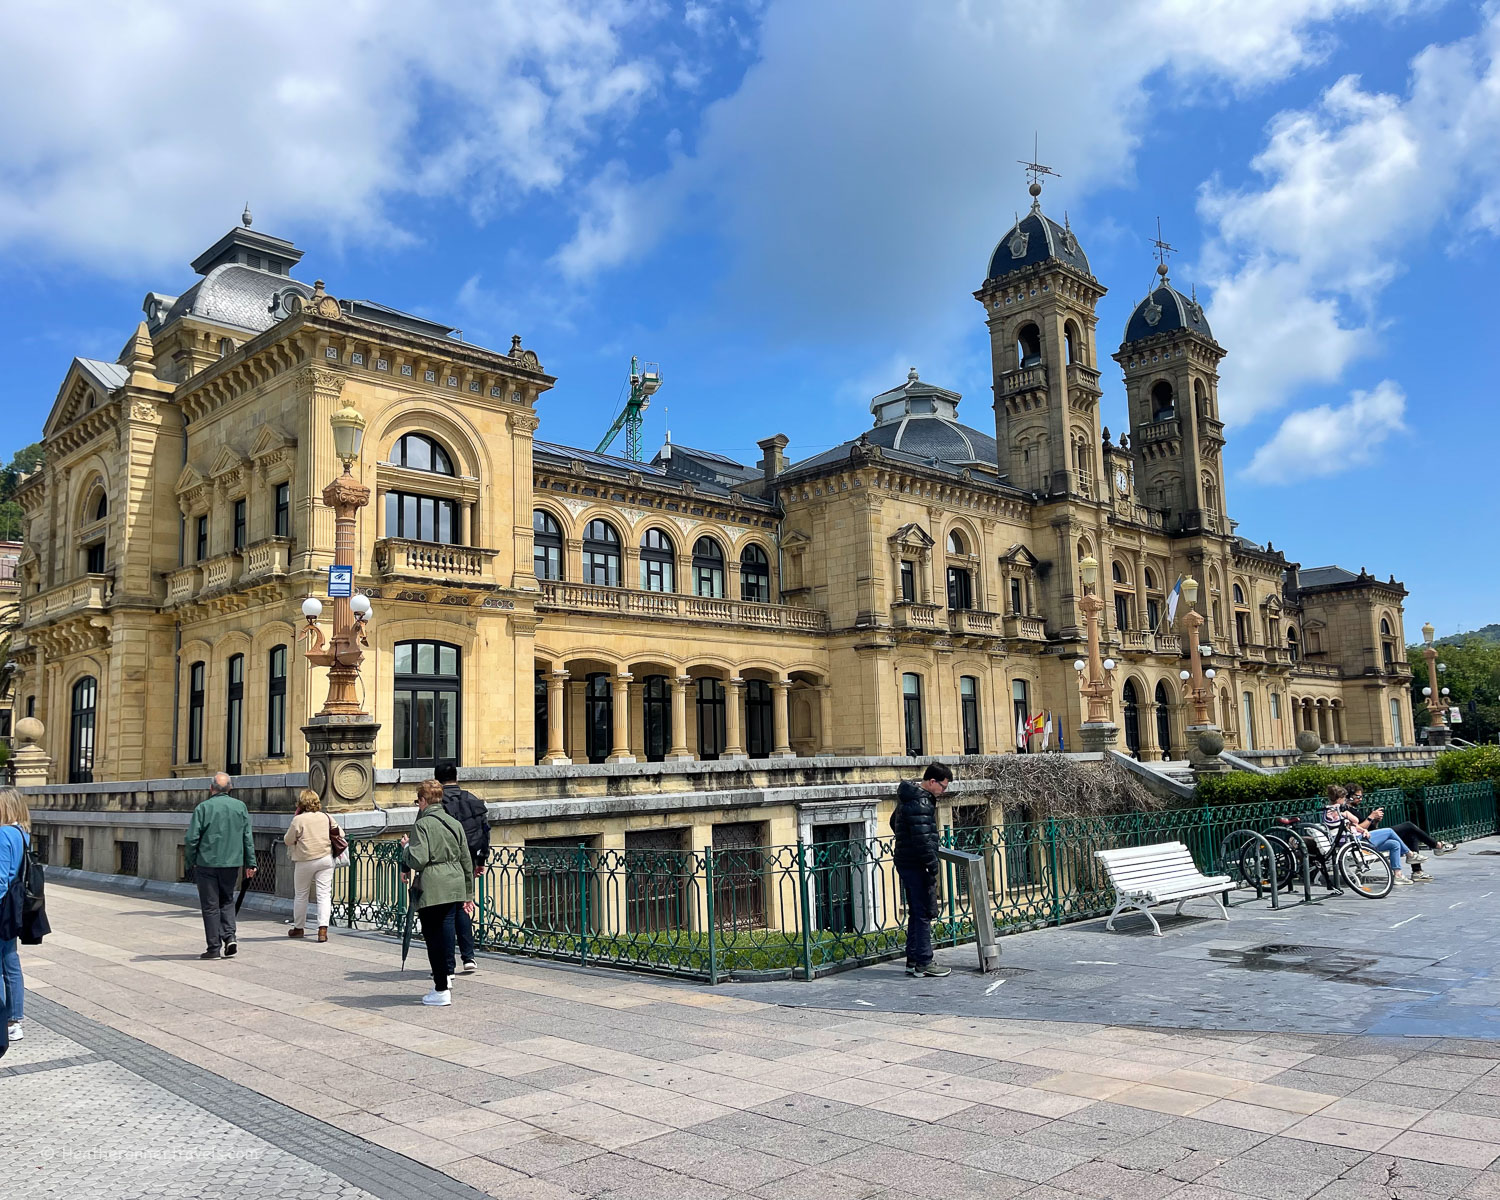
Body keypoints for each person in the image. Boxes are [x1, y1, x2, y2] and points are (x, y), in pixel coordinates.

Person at [401, 779, 471, 1006]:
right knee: (446, 931)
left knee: (433, 937)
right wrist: (468, 893)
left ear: (423, 800)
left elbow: (418, 859)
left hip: (433, 884)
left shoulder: (422, 825)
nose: (417, 805)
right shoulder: (454, 823)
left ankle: (441, 988)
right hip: (455, 882)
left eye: (417, 800)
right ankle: (446, 978)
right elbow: (466, 860)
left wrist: (405, 850)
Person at [184, 772, 257, 959]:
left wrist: (190, 861)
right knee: (227, 900)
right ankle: (230, 936)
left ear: (211, 788)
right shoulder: (240, 807)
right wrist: (251, 862)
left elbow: (192, 838)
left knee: (210, 905)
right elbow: (247, 837)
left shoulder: (203, 808)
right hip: (232, 862)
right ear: (230, 788)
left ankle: (214, 947)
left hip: (206, 863)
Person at [891, 762, 953, 978]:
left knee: (916, 912)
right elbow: (924, 840)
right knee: (924, 912)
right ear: (932, 781)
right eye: (943, 787)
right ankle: (924, 962)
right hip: (917, 864)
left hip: (905, 861)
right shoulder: (921, 802)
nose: (944, 791)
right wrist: (932, 865)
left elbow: (893, 822)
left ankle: (913, 961)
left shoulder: (908, 797)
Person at [436, 763, 489, 975]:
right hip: (469, 860)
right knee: (463, 908)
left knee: (447, 912)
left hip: (446, 862)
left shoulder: (437, 803)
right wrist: (481, 860)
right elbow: (485, 831)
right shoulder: (472, 799)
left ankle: (448, 964)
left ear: (437, 779)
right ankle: (469, 957)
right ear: (456, 777)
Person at [1347, 786, 1454, 879]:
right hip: (1364, 840)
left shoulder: (1354, 810)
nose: (1360, 799)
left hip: (1372, 836)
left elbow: (1369, 828)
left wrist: (1375, 821)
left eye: (1361, 796)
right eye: (1358, 796)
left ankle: (1417, 871)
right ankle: (1437, 846)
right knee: (1408, 826)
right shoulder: (1346, 811)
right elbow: (1357, 828)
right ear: (1350, 796)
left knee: (1410, 835)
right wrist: (1371, 817)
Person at [1322, 784, 1414, 884]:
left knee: (1394, 844)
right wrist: (1351, 816)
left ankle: (1398, 875)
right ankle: (1410, 854)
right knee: (1389, 831)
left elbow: (1350, 826)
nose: (1345, 801)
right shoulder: (1341, 811)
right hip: (1355, 842)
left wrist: (1363, 829)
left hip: (1350, 841)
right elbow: (1355, 821)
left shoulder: (1327, 812)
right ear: (1340, 799)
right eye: (1344, 798)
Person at [283, 789, 342, 941]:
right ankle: (322, 930)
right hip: (325, 859)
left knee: (301, 894)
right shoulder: (326, 817)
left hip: (305, 860)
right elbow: (340, 834)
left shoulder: (299, 820)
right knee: (324, 894)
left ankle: (298, 928)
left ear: (301, 803)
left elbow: (288, 840)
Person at [0, 788, 31, 1044]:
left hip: (1, 904)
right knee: (10, 962)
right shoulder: (23, 833)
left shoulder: (1, 834)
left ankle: (2, 1019)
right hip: (15, 904)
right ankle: (15, 1020)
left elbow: (0, 878)